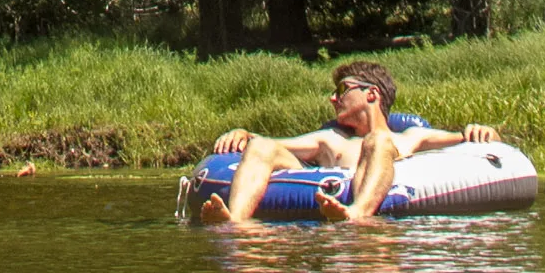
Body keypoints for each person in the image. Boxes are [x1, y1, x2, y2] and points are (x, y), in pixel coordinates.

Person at [197, 60, 502, 226]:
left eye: (342, 90)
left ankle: (358, 212)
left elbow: (469, 140)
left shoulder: (410, 137)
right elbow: (269, 145)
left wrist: (483, 131)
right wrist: (244, 135)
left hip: (376, 190)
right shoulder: (330, 139)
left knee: (377, 140)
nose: (333, 98)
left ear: (371, 94)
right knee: (261, 146)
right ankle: (235, 221)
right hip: (326, 194)